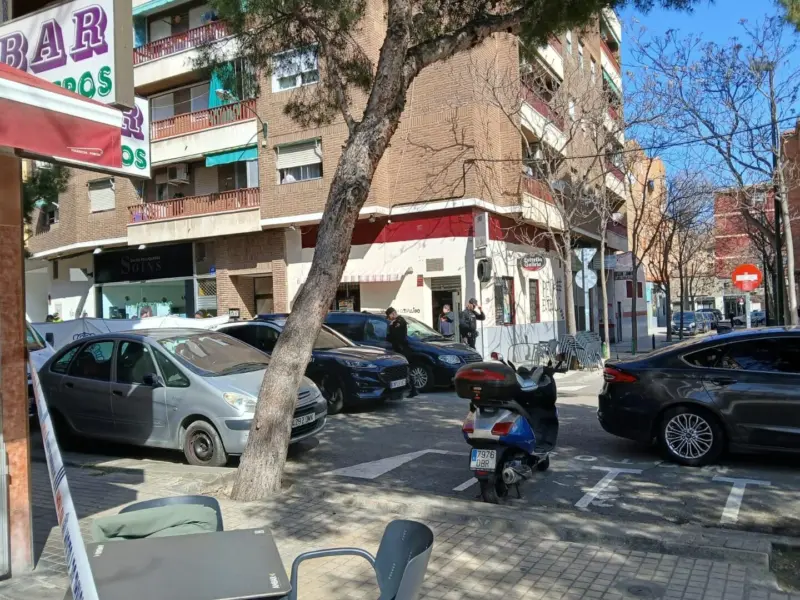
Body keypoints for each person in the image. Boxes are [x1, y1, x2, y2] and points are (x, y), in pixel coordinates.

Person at [385, 307, 419, 398]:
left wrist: (391, 327)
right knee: (401, 370)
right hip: (398, 349)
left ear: (393, 314)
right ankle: (407, 389)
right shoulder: (396, 322)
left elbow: (394, 336)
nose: (389, 319)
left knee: (406, 369)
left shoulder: (399, 321)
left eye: (389, 316)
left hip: (402, 349)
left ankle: (413, 390)